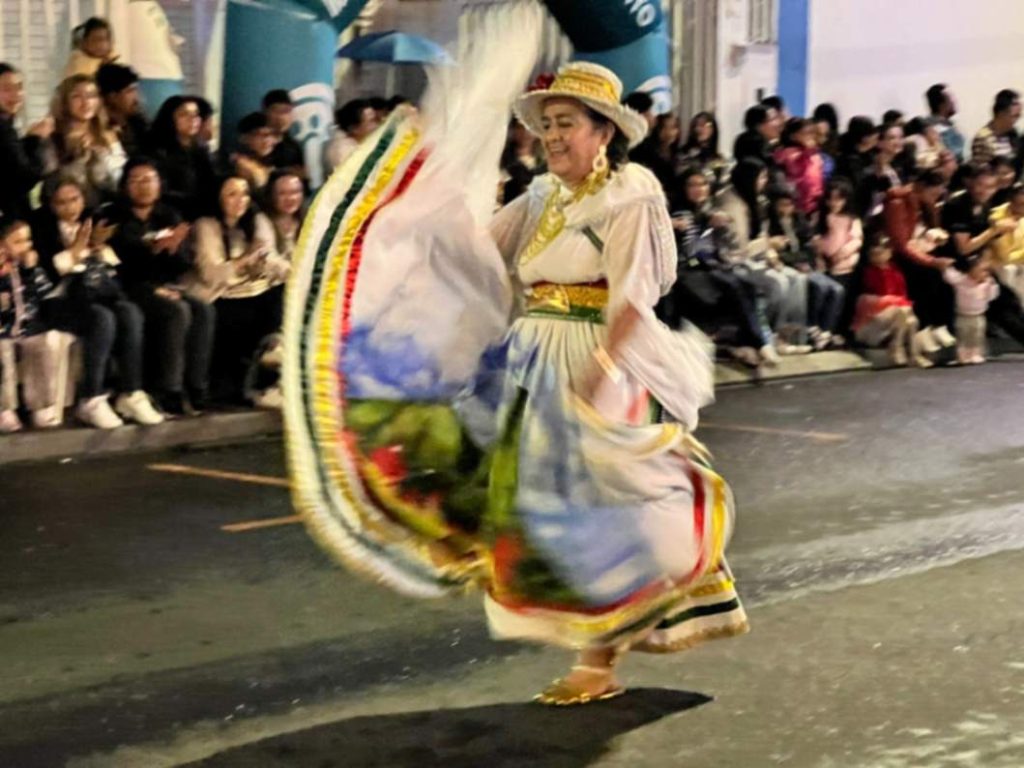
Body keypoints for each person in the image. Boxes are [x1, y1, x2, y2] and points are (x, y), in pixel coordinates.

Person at [286, 59, 748, 707]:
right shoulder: (542, 197)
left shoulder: (631, 194)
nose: (553, 136)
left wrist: (600, 375)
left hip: (593, 356)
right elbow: (471, 251)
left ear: (603, 133)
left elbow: (633, 299)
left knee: (600, 509)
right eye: (548, 124)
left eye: (567, 124)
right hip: (531, 357)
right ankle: (598, 639)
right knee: (535, 511)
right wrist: (413, 186)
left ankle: (599, 657)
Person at [31, 175, 163, 428]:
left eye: (75, 199)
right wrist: (74, 251)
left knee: (129, 312)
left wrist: (98, 247)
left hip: (93, 294)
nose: (70, 207)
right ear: (50, 205)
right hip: (55, 301)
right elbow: (44, 275)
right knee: (102, 319)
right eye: (62, 203)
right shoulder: (42, 229)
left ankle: (130, 392)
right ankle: (91, 397)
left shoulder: (94, 223)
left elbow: (113, 270)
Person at [109, 157, 214, 415]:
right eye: (135, 180)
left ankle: (196, 385)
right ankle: (169, 390)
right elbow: (123, 260)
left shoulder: (168, 214)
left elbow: (181, 263)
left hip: (166, 284)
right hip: (128, 287)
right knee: (177, 312)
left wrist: (173, 250)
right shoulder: (113, 216)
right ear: (124, 185)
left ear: (159, 184)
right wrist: (154, 248)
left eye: (149, 180)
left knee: (203, 309)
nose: (143, 186)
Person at [186, 176, 289, 405]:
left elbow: (268, 257)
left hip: (253, 291)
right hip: (221, 296)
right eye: (231, 194)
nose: (240, 200)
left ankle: (274, 357)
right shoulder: (206, 225)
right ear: (219, 198)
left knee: (285, 291)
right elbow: (212, 274)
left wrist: (295, 273)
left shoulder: (255, 220)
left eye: (244, 193)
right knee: (248, 315)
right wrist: (243, 260)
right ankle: (261, 383)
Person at [662, 167, 775, 367]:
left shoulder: (710, 210)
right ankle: (760, 342)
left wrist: (720, 227)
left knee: (746, 285)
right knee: (732, 284)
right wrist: (703, 225)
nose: (699, 189)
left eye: (703, 184)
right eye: (693, 185)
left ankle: (757, 342)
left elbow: (725, 247)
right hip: (689, 270)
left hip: (713, 266)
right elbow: (691, 254)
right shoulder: (681, 213)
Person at [715, 158, 807, 355]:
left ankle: (788, 335)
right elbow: (739, 248)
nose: (764, 181)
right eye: (761, 177)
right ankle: (767, 335)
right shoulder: (731, 204)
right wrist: (768, 244)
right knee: (778, 284)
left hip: (757, 258)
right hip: (733, 262)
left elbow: (762, 233)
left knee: (797, 280)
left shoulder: (757, 200)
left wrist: (771, 252)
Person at [0, 218, 69, 431]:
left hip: (29, 326)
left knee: (43, 346)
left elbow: (43, 294)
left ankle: (40, 406)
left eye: (27, 240)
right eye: (17, 241)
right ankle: (5, 409)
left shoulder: (31, 269)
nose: (26, 246)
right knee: (2, 355)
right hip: (3, 330)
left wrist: (30, 272)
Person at [883, 169, 955, 352]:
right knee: (925, 278)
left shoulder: (926, 204)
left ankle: (939, 326)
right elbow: (901, 244)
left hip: (921, 248)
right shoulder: (898, 203)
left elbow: (930, 228)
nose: (935, 198)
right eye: (933, 194)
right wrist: (931, 261)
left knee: (945, 282)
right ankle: (923, 330)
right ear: (921, 187)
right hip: (897, 254)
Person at [769, 186, 845, 349]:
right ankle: (811, 329)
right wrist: (795, 261)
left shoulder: (799, 220)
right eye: (782, 204)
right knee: (820, 287)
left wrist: (805, 260)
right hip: (788, 266)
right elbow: (775, 253)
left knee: (837, 290)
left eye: (789, 205)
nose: (786, 209)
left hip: (805, 264)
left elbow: (809, 247)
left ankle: (825, 332)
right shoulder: (770, 224)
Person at [852, 237, 931, 368]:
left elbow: (903, 297)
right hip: (870, 324)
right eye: (872, 254)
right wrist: (897, 303)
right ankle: (897, 346)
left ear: (889, 252)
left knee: (911, 321)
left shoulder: (896, 272)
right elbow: (867, 302)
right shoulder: (866, 273)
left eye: (879, 253)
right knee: (903, 311)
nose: (876, 257)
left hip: (896, 319)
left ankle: (914, 355)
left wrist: (900, 304)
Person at [49, 74, 128, 204]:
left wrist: (101, 155)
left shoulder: (108, 135)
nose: (86, 102)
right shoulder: (54, 137)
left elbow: (121, 177)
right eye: (77, 96)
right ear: (65, 102)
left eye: (91, 96)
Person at [148, 96, 217, 221]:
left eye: (195, 114)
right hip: (172, 214)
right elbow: (162, 192)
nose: (192, 120)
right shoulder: (158, 152)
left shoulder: (201, 149)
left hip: (203, 211)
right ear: (170, 119)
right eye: (184, 114)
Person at [0, 63, 54, 220]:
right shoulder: (3, 128)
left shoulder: (7, 125)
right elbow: (25, 177)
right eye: (6, 89)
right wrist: (36, 139)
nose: (16, 94)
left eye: (19, 87)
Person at [816, 178, 864, 332]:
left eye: (838, 199)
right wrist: (821, 257)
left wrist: (840, 256)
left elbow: (856, 241)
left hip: (844, 267)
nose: (833, 203)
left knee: (843, 301)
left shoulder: (851, 219)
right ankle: (822, 330)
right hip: (824, 266)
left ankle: (837, 331)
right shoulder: (821, 217)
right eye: (830, 198)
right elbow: (817, 240)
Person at [944, 256, 999, 364]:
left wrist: (991, 286)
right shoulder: (962, 280)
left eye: (985, 271)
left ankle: (976, 354)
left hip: (979, 315)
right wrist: (947, 267)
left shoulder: (986, 284)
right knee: (963, 336)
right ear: (970, 270)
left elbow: (992, 297)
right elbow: (949, 277)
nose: (983, 274)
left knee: (977, 336)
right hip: (963, 315)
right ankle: (962, 355)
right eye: (979, 270)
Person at [774, 117, 825, 219]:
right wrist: (806, 151)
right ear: (793, 136)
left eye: (812, 132)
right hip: (796, 205)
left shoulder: (815, 154)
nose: (810, 136)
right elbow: (796, 170)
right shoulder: (786, 153)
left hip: (815, 204)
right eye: (805, 133)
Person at [95, 63, 149, 157]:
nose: (136, 98)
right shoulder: (97, 129)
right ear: (112, 97)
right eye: (129, 91)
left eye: (136, 90)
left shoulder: (139, 124)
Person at [630, 113, 682, 202]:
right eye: (664, 127)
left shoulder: (678, 153)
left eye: (673, 128)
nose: (669, 132)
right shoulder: (643, 149)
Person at [858, 121, 905, 218]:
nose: (898, 141)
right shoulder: (872, 168)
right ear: (879, 143)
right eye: (892, 138)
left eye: (901, 137)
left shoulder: (895, 168)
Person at [323, 99, 380, 174]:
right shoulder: (343, 152)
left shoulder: (358, 141)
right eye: (372, 121)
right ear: (354, 129)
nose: (378, 125)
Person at [989, 183, 1024, 300]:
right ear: (1010, 201)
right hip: (1000, 265)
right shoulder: (996, 217)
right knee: (1009, 270)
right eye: (1021, 205)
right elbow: (1004, 255)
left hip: (1020, 262)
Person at [262, 89, 306, 179]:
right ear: (266, 112)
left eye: (287, 111)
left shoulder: (293, 146)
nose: (283, 117)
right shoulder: (257, 140)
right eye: (278, 111)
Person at [229, 113, 276, 196]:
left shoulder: (268, 163)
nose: (267, 140)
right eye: (260, 135)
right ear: (244, 138)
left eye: (270, 134)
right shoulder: (241, 165)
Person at [499, 118, 544, 205]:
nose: (525, 132)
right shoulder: (506, 161)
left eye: (529, 127)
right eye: (520, 127)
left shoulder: (543, 164)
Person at [971, 90, 1021, 167]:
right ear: (1001, 113)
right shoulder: (983, 138)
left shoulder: (1012, 134)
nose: (1017, 121)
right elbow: (982, 173)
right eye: (1014, 116)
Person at [679, 111, 727, 189]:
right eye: (697, 125)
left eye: (705, 125)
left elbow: (723, 182)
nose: (700, 129)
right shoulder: (684, 154)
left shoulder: (719, 159)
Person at [733, 104, 781, 171]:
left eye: (777, 118)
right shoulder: (752, 143)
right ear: (758, 125)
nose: (778, 124)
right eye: (772, 119)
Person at [926, 83, 966, 162]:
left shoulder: (949, 125)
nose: (955, 102)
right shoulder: (935, 130)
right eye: (951, 100)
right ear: (942, 105)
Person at [835, 116, 878, 187]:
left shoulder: (869, 154)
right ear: (865, 138)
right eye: (873, 135)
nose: (876, 139)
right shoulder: (848, 159)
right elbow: (859, 183)